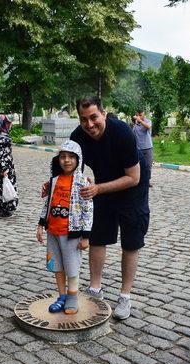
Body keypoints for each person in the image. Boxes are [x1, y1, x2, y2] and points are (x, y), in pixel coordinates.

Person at [68, 96, 150, 320]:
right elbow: (70, 169)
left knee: (131, 240)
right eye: (84, 119)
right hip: (102, 184)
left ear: (103, 114)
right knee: (97, 236)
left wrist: (98, 189)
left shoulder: (122, 132)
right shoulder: (78, 137)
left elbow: (133, 177)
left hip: (132, 185)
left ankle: (125, 296)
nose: (89, 124)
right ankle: (95, 289)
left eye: (94, 117)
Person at [36, 140, 93, 314]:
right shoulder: (54, 181)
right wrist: (40, 224)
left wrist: (86, 236)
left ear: (78, 159)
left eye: (71, 157)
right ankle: (61, 296)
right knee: (57, 266)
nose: (66, 160)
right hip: (53, 231)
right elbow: (48, 203)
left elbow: (87, 209)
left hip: (72, 234)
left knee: (72, 267)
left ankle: (72, 296)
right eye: (62, 157)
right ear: (57, 159)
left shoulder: (83, 182)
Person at [0, 114, 18, 218]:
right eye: (8, 123)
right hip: (5, 167)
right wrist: (5, 169)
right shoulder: (4, 138)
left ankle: (2, 210)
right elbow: (3, 155)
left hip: (0, 167)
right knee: (6, 187)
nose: (10, 124)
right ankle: (7, 210)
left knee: (1, 188)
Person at [131, 109, 153, 186]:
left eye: (141, 115)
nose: (139, 117)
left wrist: (140, 121)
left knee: (148, 165)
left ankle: (148, 180)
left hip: (148, 147)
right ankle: (139, 180)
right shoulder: (135, 124)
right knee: (138, 166)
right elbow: (132, 135)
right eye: (138, 115)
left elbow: (148, 127)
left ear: (144, 115)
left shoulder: (148, 121)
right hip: (138, 148)